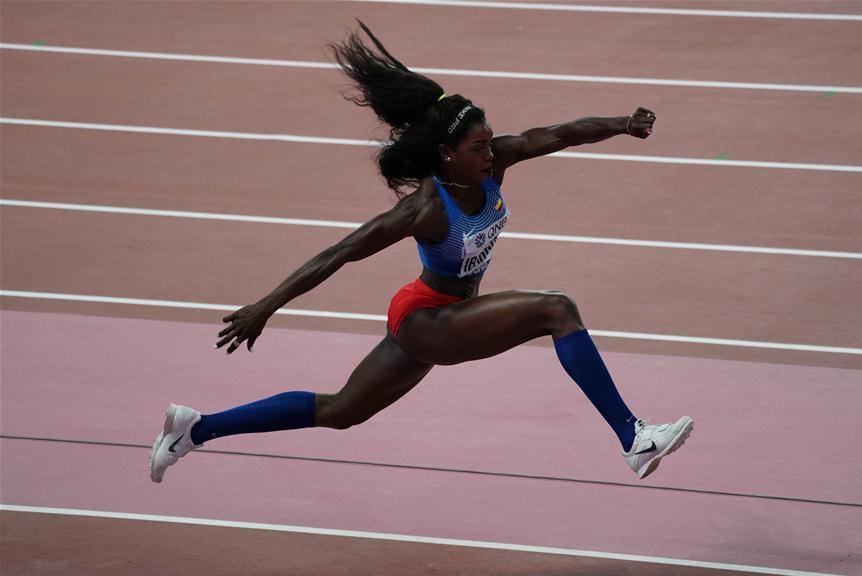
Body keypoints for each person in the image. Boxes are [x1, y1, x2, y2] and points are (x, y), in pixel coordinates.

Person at [150, 22, 693, 484]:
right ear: (445, 155)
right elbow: (339, 252)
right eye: (477, 148)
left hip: (431, 311)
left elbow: (556, 134)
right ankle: (634, 437)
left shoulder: (492, 161)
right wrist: (265, 306)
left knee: (341, 411)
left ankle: (195, 428)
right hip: (429, 318)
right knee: (558, 309)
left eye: (489, 143)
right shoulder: (422, 210)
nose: (489, 153)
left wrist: (622, 124)